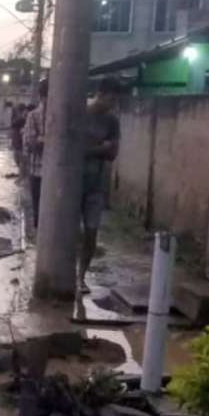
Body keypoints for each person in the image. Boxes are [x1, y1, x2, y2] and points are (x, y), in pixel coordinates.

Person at [79, 77, 122, 292]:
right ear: (100, 94)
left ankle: (80, 277)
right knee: (69, 232)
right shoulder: (80, 113)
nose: (113, 104)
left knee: (91, 233)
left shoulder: (112, 121)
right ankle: (66, 275)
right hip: (73, 183)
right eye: (111, 99)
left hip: (96, 185)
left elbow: (113, 153)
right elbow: (71, 148)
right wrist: (100, 148)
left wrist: (95, 148)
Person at [22, 79, 48, 231]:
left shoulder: (63, 115)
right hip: (38, 172)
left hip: (59, 174)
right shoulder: (34, 116)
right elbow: (31, 144)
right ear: (43, 97)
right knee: (39, 213)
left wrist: (42, 139)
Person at [10, 103, 28, 174]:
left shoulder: (23, 120)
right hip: (16, 144)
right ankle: (21, 174)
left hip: (20, 145)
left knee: (20, 161)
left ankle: (22, 175)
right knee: (18, 160)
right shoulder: (18, 119)